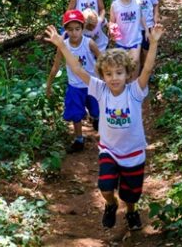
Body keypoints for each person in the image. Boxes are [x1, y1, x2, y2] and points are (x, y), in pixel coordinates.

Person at [43, 22, 165, 231]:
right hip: (109, 150)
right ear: (102, 75)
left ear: (128, 74)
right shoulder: (100, 89)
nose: (114, 78)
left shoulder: (135, 91)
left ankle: (131, 211)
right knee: (106, 187)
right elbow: (77, 69)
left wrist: (153, 43)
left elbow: (147, 69)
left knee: (131, 194)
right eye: (108, 74)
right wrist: (62, 46)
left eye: (119, 73)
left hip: (134, 153)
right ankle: (111, 204)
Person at [46, 10, 102, 153]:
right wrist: (49, 85)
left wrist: (106, 77)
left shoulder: (89, 43)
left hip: (91, 84)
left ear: (83, 28)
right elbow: (56, 66)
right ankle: (79, 139)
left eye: (77, 29)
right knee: (75, 113)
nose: (74, 33)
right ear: (65, 30)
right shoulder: (63, 46)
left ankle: (96, 119)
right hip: (75, 86)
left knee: (96, 110)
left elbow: (102, 59)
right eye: (70, 29)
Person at [109, 0, 147, 80]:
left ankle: (134, 83)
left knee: (135, 61)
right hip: (121, 41)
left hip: (135, 38)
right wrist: (112, 31)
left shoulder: (138, 3)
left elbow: (142, 17)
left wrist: (147, 30)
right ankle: (125, 83)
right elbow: (112, 21)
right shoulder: (115, 5)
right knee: (122, 64)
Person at [132, 0, 159, 71]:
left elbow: (155, 5)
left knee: (146, 49)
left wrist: (156, 15)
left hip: (149, 25)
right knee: (136, 50)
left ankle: (146, 69)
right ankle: (139, 70)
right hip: (135, 27)